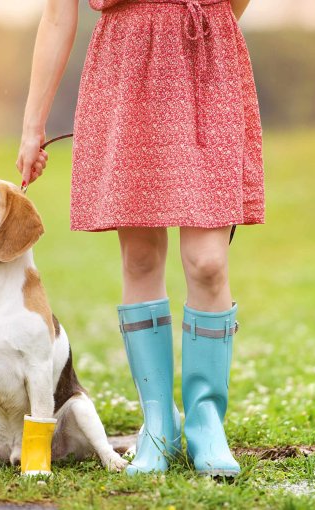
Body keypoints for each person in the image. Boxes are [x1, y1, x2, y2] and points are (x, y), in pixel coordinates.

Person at [16, 0, 264, 477]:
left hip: (206, 60)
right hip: (128, 64)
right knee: (141, 258)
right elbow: (56, 15)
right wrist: (32, 127)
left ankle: (206, 422)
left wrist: (196, 28)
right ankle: (158, 426)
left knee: (209, 262)